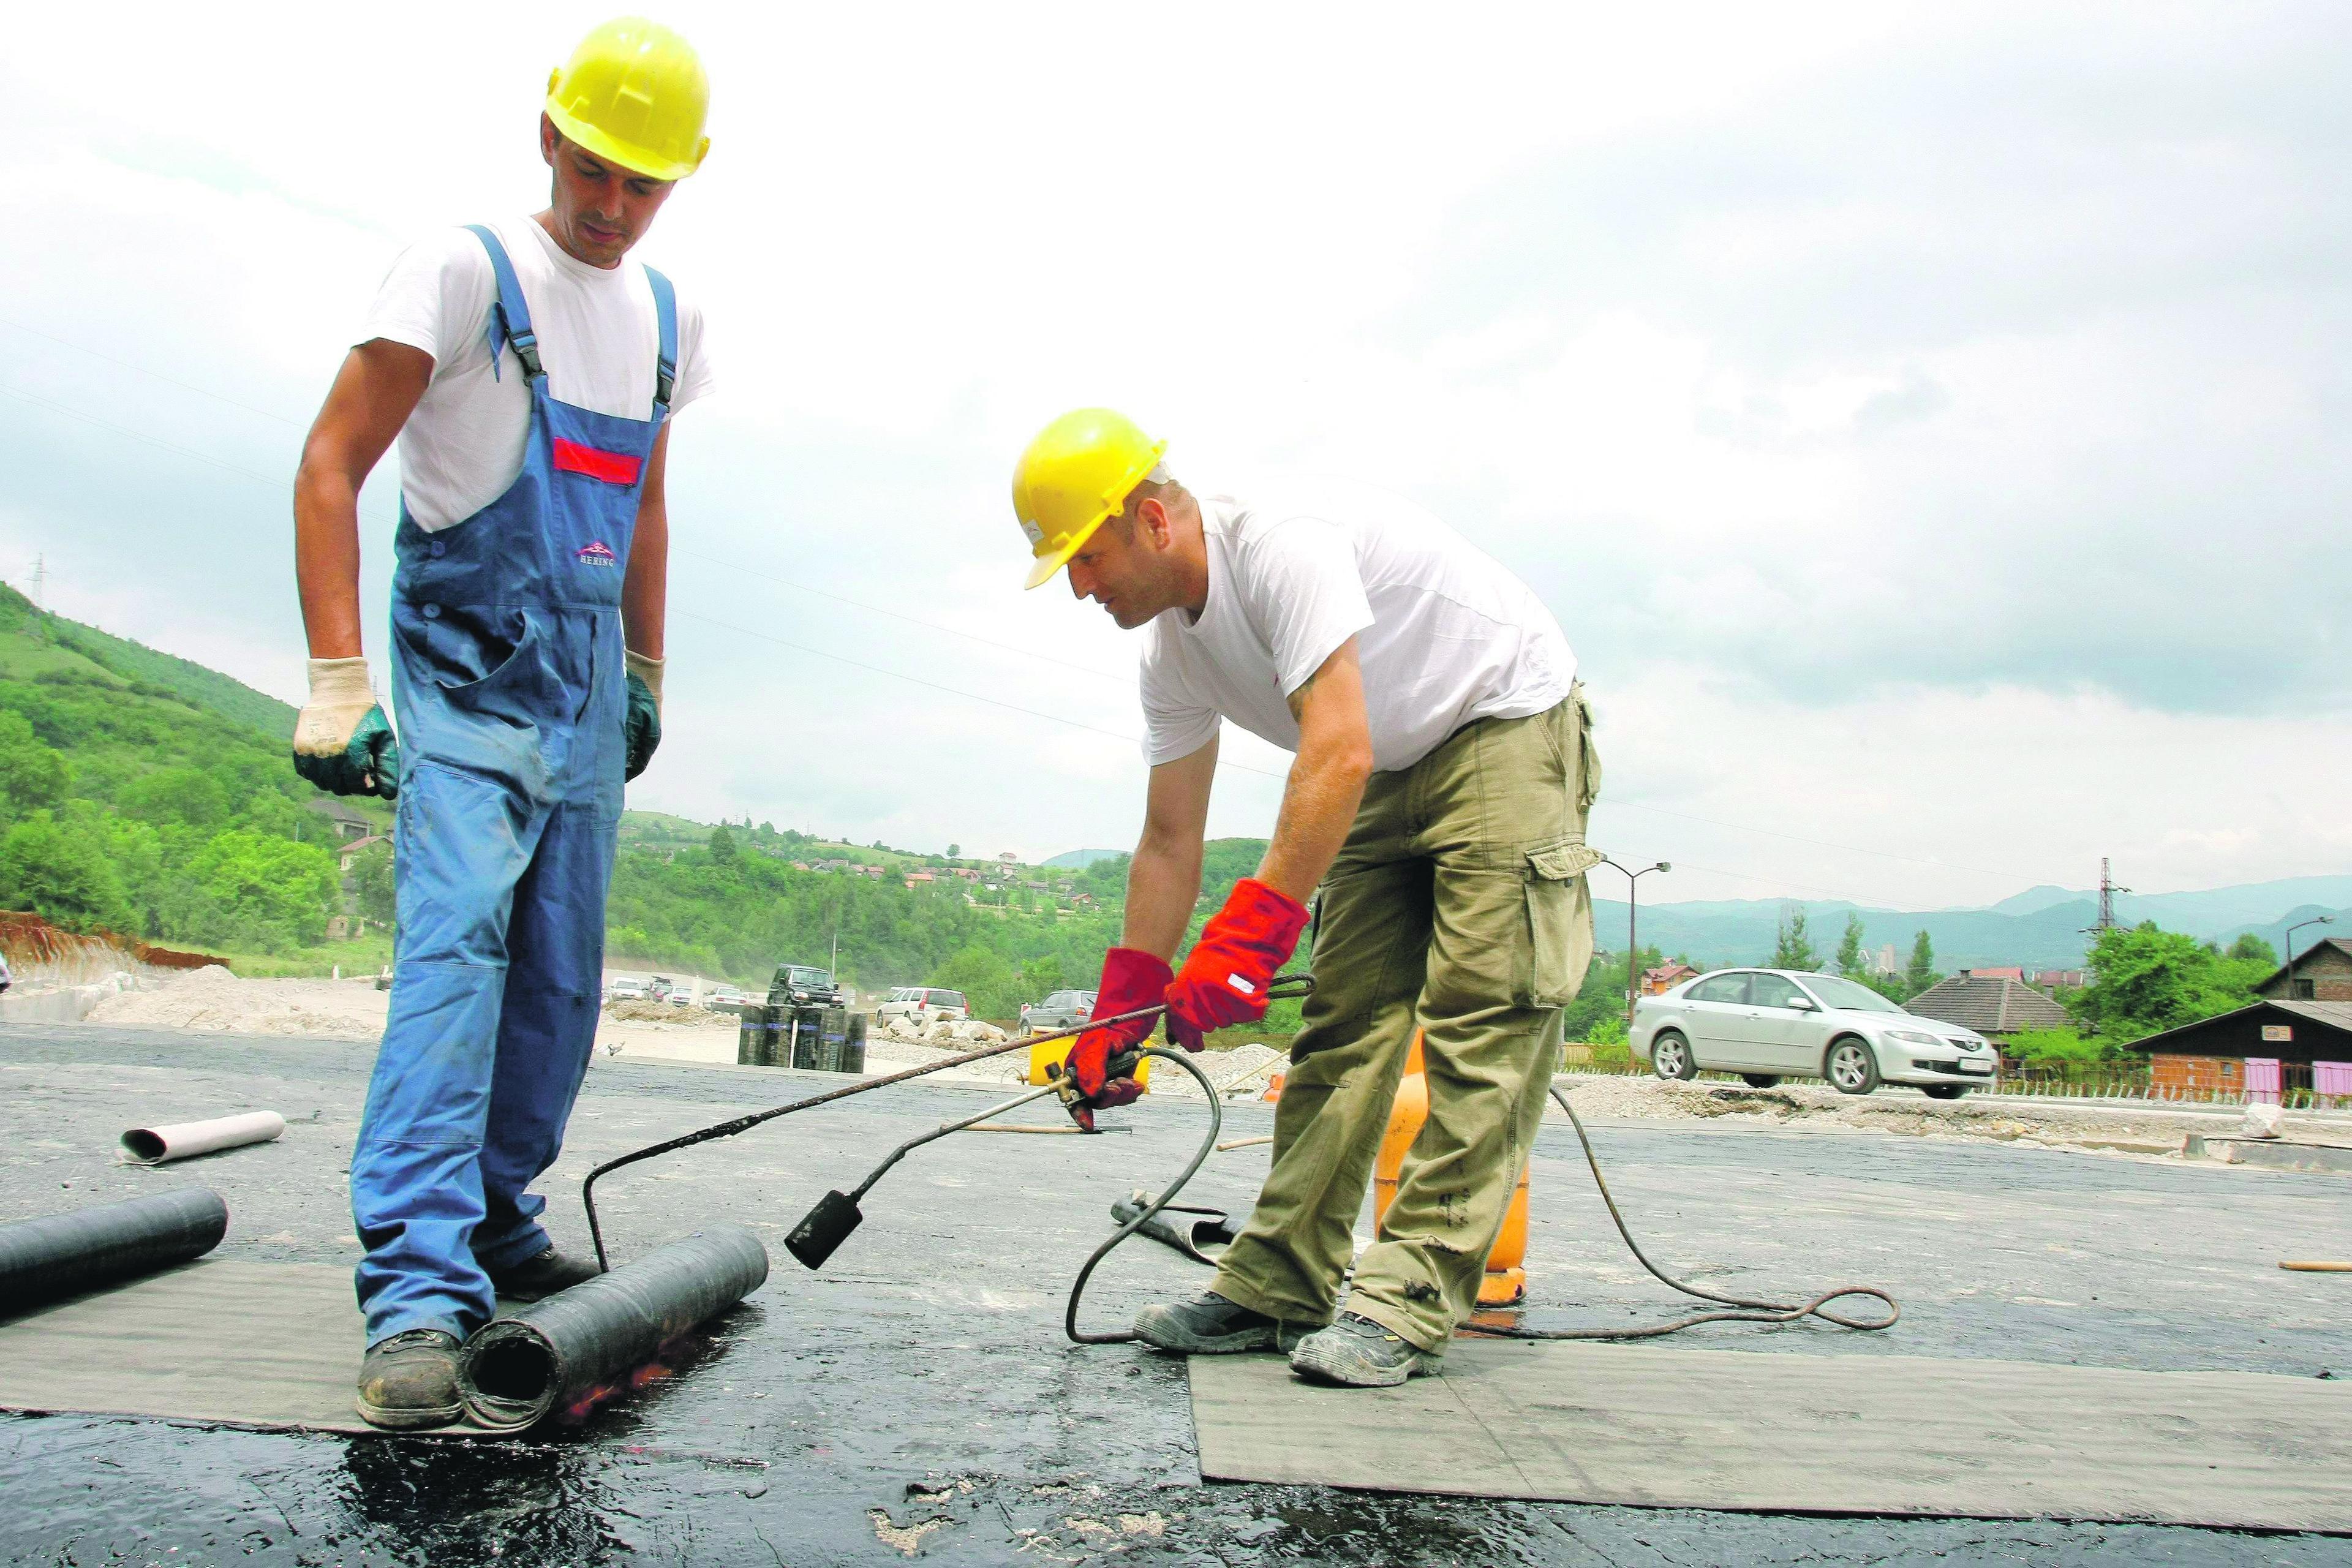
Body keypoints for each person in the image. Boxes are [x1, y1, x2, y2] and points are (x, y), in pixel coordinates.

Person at [289, 19, 715, 1428]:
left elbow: (646, 497)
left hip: (587, 677)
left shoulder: (669, 317)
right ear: (548, 135)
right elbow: (334, 457)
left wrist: (647, 659)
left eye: (640, 186)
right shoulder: (463, 267)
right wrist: (340, 676)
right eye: (592, 170)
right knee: (458, 958)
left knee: (558, 975)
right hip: (465, 669)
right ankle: (414, 1286)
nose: (608, 206)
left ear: (682, 181)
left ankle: (493, 1213)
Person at [1011, 409, 1599, 1388]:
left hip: (1501, 719)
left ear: (1153, 520)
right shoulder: (1171, 655)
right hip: (1383, 759)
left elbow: (1337, 746)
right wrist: (1127, 1003)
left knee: (1482, 1015)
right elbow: (1168, 840)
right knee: (1344, 1025)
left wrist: (1244, 946)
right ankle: (1278, 1284)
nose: (1079, 587)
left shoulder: (1282, 543)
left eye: (1085, 557)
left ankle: (1407, 1296)